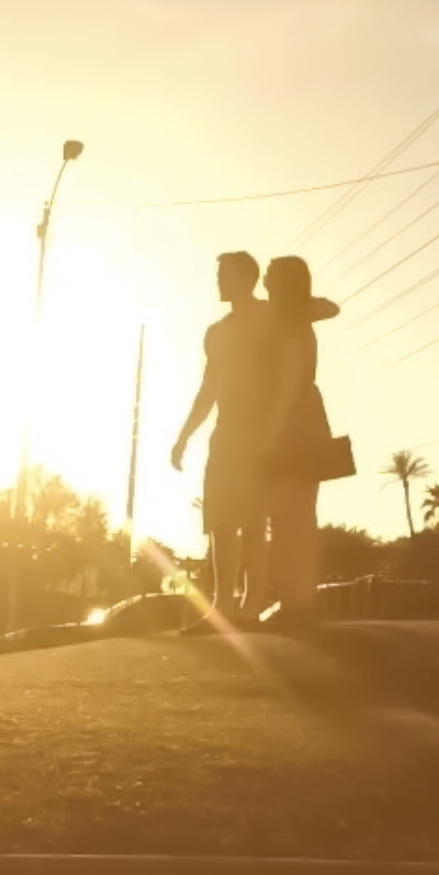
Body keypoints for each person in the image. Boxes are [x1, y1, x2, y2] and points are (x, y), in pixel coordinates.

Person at [170, 251, 271, 626]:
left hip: (263, 433)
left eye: (224, 274)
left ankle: (252, 604)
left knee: (254, 523)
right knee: (221, 523)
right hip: (225, 434)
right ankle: (223, 605)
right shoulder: (217, 332)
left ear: (247, 277)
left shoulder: (269, 317)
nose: (218, 281)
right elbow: (208, 388)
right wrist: (183, 437)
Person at [254, 255, 345, 626]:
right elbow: (330, 307)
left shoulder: (283, 322)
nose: (264, 281)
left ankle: (294, 603)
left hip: (288, 421)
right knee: (301, 515)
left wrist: (269, 433)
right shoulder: (299, 317)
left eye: (271, 276)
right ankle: (300, 600)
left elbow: (286, 383)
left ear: (282, 282)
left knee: (286, 515)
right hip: (309, 418)